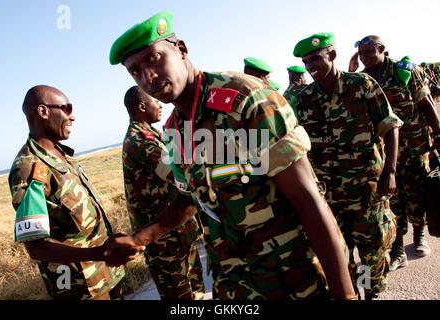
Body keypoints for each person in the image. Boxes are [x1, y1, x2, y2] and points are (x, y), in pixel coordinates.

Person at [106, 11, 356, 300]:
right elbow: (190, 196)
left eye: (154, 58)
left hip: (293, 279)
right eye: (135, 71)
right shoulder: (175, 128)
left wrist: (344, 294)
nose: (148, 76)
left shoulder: (245, 97)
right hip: (234, 285)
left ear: (181, 49)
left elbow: (308, 199)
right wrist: (140, 238)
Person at [292, 32, 404, 299]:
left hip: (367, 190)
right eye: (306, 62)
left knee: (372, 254)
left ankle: (370, 294)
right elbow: (296, 146)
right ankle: (352, 292)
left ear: (331, 55)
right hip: (328, 196)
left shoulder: (361, 85)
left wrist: (390, 171)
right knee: (339, 254)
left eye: (316, 59)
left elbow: (390, 126)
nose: (311, 67)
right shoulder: (304, 98)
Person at [9, 85, 134, 300]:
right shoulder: (28, 167)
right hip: (80, 287)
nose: (72, 116)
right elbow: (36, 247)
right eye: (66, 108)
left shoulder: (62, 155)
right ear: (43, 111)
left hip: (107, 273)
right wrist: (96, 254)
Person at [349, 35, 440, 271]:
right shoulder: (363, 78)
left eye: (369, 53)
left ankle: (420, 236)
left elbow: (426, 102)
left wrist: (439, 134)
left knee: (418, 194)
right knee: (392, 199)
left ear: (382, 50)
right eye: (361, 54)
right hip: (385, 150)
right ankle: (398, 250)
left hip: (414, 145)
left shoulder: (403, 71)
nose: (364, 58)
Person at [122, 86, 205, 300]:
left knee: (196, 293)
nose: (160, 105)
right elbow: (178, 172)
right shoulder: (139, 141)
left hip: (178, 233)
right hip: (165, 242)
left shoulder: (151, 134)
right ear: (142, 106)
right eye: (155, 101)